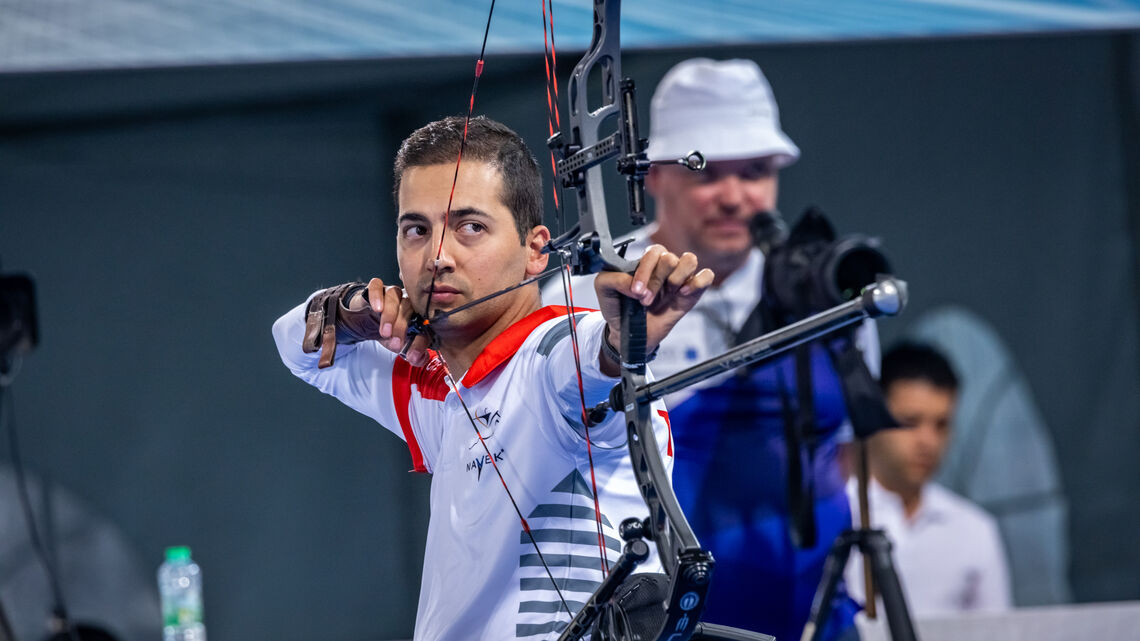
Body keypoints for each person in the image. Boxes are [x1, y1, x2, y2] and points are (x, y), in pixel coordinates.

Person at [272, 115, 713, 640]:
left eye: (470, 227)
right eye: (417, 229)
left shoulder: (547, 362)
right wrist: (349, 313)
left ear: (536, 250)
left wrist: (624, 342)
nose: (437, 256)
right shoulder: (434, 389)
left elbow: (586, 364)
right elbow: (293, 344)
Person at [541, 58, 874, 641]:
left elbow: (843, 455)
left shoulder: (822, 288)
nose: (735, 196)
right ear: (650, 177)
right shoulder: (587, 291)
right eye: (708, 173)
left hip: (811, 613)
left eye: (754, 171)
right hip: (654, 619)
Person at [845, 343, 1012, 616]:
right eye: (910, 422)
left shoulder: (975, 530)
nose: (928, 441)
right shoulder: (838, 514)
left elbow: (999, 633)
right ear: (873, 415)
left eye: (941, 424)